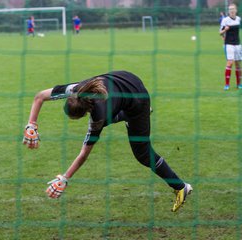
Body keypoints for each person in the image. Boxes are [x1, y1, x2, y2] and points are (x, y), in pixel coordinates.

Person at [22, 70, 193, 212]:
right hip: (127, 78)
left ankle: (180, 187)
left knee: (142, 154)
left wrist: (64, 178)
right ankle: (132, 115)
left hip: (138, 100)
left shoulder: (98, 118)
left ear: (86, 113)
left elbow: (83, 155)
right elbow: (39, 97)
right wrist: (31, 124)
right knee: (112, 116)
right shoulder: (76, 89)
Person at [220, 4, 242, 90]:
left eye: (233, 9)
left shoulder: (239, 19)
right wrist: (225, 30)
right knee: (230, 62)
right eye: (230, 9)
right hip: (228, 44)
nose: (231, 11)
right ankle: (227, 85)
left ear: (236, 10)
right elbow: (220, 32)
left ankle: (239, 84)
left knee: (238, 64)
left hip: (238, 44)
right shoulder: (225, 20)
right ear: (228, 11)